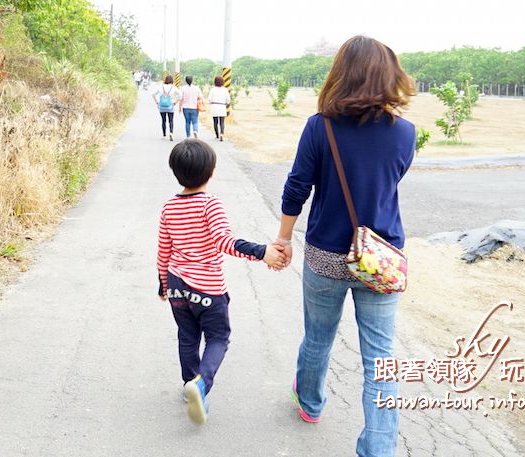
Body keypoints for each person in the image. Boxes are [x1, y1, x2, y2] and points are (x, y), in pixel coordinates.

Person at [273, 36, 416, 457]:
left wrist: (282, 239)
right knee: (381, 357)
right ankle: (379, 448)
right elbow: (389, 181)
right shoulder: (404, 134)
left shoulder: (320, 126)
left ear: (341, 74)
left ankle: (311, 403)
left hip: (326, 255)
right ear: (389, 76)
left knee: (318, 336)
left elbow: (297, 187)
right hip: (380, 259)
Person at [158, 139, 285, 425]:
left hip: (178, 285)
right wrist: (261, 252)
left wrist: (163, 284)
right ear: (211, 172)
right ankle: (200, 386)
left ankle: (189, 381)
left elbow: (163, 249)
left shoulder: (169, 207)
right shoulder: (210, 204)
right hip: (208, 290)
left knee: (187, 336)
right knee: (217, 337)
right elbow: (224, 242)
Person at [152, 75, 182, 140]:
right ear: (172, 80)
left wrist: (157, 103)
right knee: (171, 120)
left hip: (162, 107)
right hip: (170, 106)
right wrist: (175, 102)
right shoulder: (173, 87)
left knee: (163, 120)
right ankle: (171, 133)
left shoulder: (160, 87)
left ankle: (164, 135)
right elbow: (180, 95)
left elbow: (153, 94)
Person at [207, 75, 231, 141]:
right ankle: (222, 134)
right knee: (222, 122)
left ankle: (217, 135)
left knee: (215, 122)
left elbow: (209, 99)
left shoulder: (212, 90)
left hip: (214, 107)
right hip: (222, 107)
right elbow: (228, 100)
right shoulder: (225, 90)